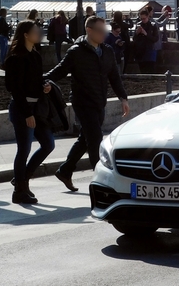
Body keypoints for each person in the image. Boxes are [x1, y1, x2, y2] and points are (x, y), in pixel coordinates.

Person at [45, 16, 130, 192]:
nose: (104, 35)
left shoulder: (107, 51)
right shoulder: (76, 52)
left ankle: (65, 171)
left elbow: (114, 76)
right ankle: (102, 182)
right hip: (82, 102)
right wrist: (42, 81)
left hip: (99, 102)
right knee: (95, 140)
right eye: (101, 31)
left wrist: (123, 98)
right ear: (89, 31)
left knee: (85, 138)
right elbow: (60, 70)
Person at [4, 20, 55, 204]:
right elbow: (14, 88)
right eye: (36, 31)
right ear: (26, 34)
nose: (39, 33)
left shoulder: (35, 55)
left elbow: (36, 79)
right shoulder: (16, 57)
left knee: (48, 144)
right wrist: (27, 113)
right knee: (24, 149)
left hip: (37, 108)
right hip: (22, 109)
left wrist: (44, 86)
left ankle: (22, 177)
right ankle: (20, 191)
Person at [133, 9, 159, 74]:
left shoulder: (153, 26)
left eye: (144, 18)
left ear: (148, 17)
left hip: (150, 49)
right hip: (140, 50)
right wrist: (136, 33)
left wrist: (146, 34)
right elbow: (134, 39)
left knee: (151, 69)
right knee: (142, 69)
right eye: (141, 19)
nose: (143, 20)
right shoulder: (138, 25)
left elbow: (155, 39)